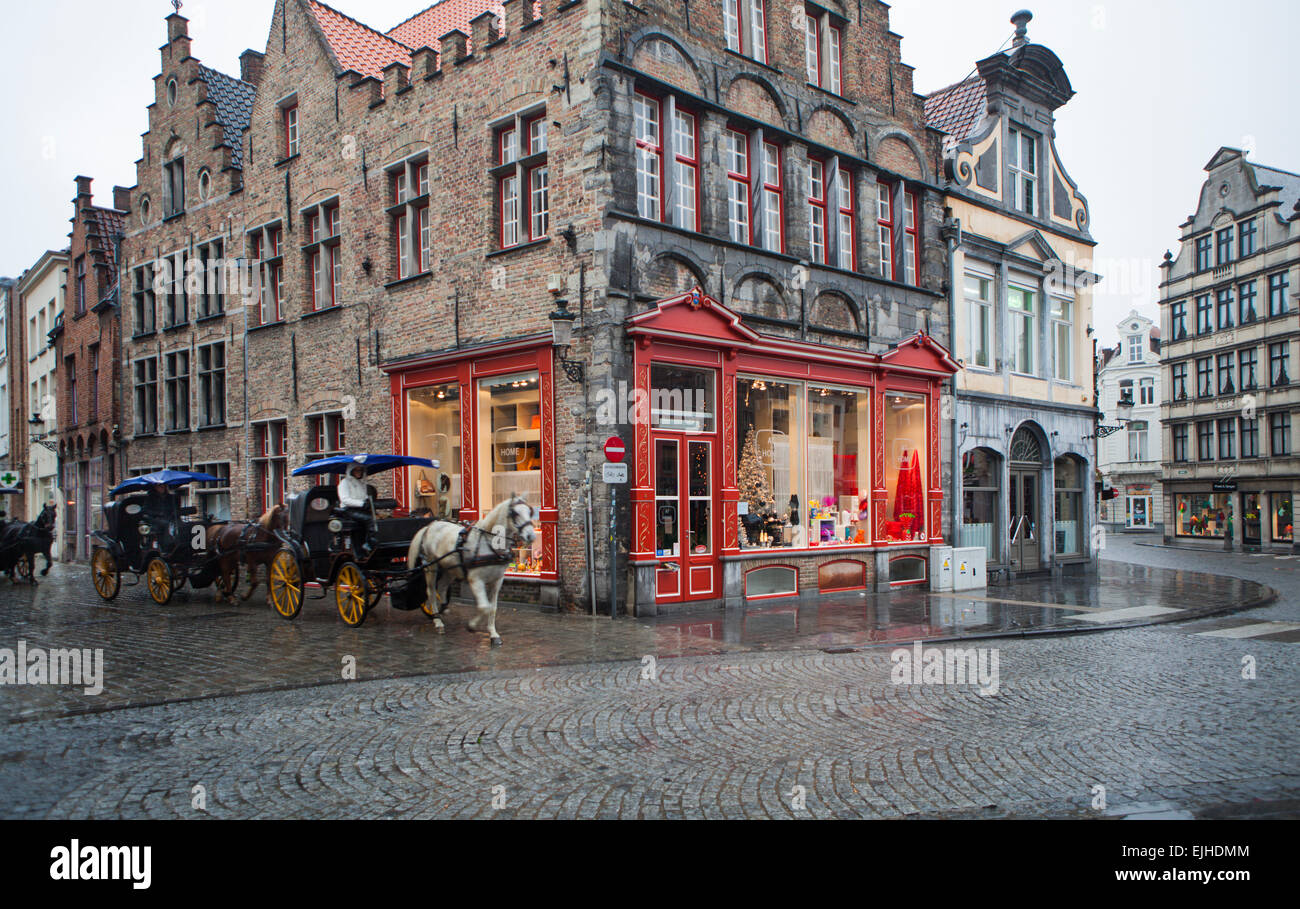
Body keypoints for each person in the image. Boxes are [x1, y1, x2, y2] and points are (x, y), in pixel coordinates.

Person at [337, 465, 375, 557]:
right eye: (356, 470)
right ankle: (369, 543)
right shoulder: (344, 483)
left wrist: (367, 501)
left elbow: (363, 496)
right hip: (348, 510)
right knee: (370, 519)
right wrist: (361, 503)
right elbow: (345, 499)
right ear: (351, 471)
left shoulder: (361, 483)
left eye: (360, 470)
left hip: (360, 509)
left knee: (379, 518)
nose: (358, 472)